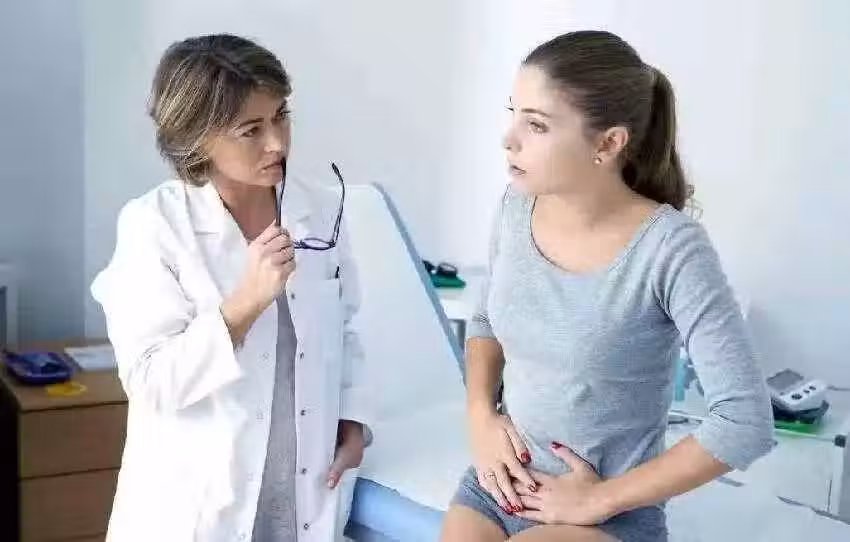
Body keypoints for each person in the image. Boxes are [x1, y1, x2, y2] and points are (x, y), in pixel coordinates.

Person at [439, 30, 774, 542]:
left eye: (536, 124)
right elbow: (487, 320)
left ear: (608, 143)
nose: (509, 139)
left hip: (603, 512)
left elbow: (744, 420)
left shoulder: (671, 249)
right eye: (514, 114)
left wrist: (599, 500)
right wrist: (480, 415)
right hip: (499, 486)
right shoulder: (514, 206)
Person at [91, 34, 370, 542]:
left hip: (301, 501)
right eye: (251, 130)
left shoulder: (321, 210)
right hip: (197, 512)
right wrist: (245, 303)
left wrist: (354, 418)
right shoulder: (155, 225)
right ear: (198, 138)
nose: (277, 142)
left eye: (281, 116)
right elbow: (152, 381)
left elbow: (347, 330)